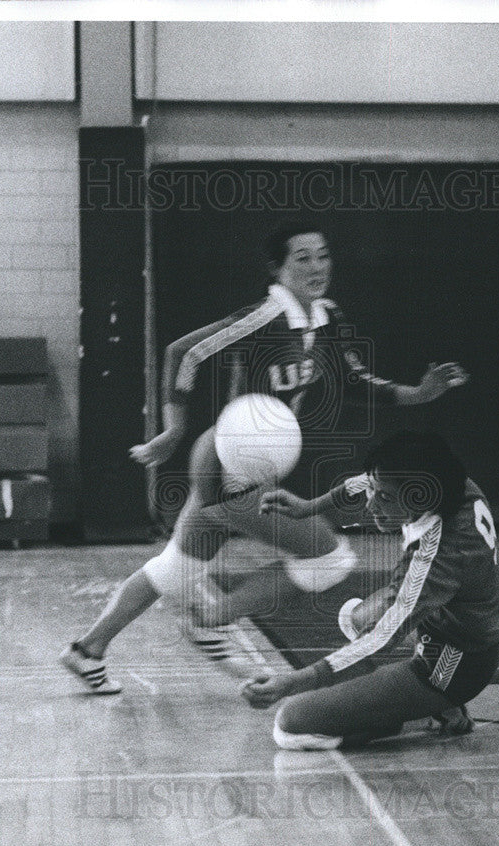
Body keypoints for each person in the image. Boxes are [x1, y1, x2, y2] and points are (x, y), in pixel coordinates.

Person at [61, 224, 468, 694]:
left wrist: (419, 393)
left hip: (232, 461)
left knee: (174, 570)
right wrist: (173, 428)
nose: (317, 267)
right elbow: (183, 353)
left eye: (323, 255)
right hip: (230, 468)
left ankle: (87, 651)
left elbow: (354, 383)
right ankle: (209, 621)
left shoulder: (326, 317)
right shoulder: (264, 316)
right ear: (277, 268)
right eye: (302, 259)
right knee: (330, 560)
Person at [244, 430, 499, 749]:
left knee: (291, 724)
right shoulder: (451, 482)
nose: (370, 504)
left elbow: (380, 638)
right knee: (354, 617)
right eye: (375, 493)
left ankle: (425, 710)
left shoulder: (439, 555)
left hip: (451, 666)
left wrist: (294, 682)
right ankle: (409, 703)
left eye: (384, 498)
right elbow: (368, 479)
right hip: (447, 622)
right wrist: (309, 506)